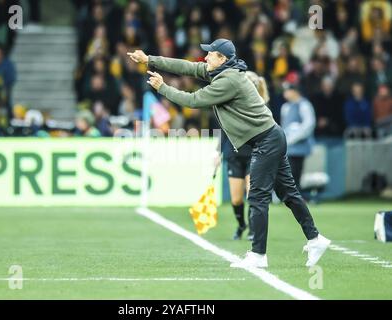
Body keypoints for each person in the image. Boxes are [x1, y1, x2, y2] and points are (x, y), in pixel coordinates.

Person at [127, 38, 331, 268]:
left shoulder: (228, 80)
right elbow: (188, 66)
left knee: (257, 197)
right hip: (270, 137)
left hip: (267, 140)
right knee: (288, 193)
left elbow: (193, 100)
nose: (205, 58)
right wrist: (149, 59)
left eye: (210, 55)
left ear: (222, 59)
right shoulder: (224, 71)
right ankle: (315, 239)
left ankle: (258, 256)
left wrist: (162, 88)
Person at [216, 71, 270, 242]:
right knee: (236, 199)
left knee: (251, 195)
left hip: (254, 155)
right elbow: (224, 130)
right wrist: (218, 152)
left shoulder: (261, 107)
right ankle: (241, 224)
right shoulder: (232, 105)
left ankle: (253, 230)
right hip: (234, 155)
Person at [281, 71, 316, 191]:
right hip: (288, 148)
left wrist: (292, 139)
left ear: (294, 91)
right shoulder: (285, 107)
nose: (285, 93)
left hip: (299, 147)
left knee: (296, 173)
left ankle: (297, 197)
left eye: (287, 90)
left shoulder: (304, 105)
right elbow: (284, 126)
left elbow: (308, 125)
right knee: (289, 174)